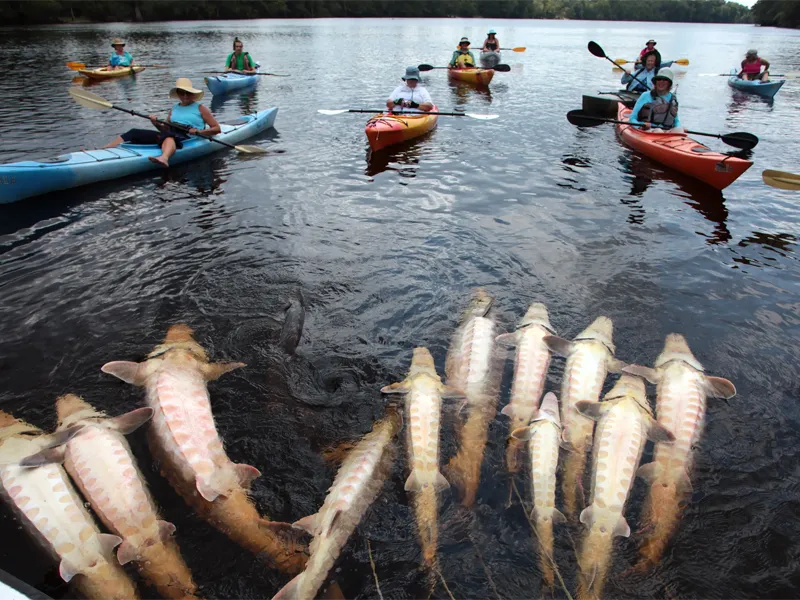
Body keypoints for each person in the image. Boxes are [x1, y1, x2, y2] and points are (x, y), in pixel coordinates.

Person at [103, 78, 221, 167]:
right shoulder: (175, 108)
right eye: (182, 92)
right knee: (134, 132)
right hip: (170, 135)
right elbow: (164, 129)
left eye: (188, 93)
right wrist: (155, 123)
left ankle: (164, 158)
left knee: (169, 137)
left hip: (189, 138)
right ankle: (106, 149)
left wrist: (199, 131)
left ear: (192, 94)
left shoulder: (200, 108)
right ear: (178, 93)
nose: (185, 95)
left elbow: (216, 129)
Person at [627, 68, 683, 133]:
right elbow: (632, 118)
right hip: (647, 130)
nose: (661, 82)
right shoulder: (646, 95)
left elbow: (676, 121)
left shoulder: (672, 99)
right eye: (659, 79)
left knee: (679, 130)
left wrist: (679, 127)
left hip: (666, 131)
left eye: (665, 80)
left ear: (669, 84)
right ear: (655, 82)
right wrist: (640, 126)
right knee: (658, 131)